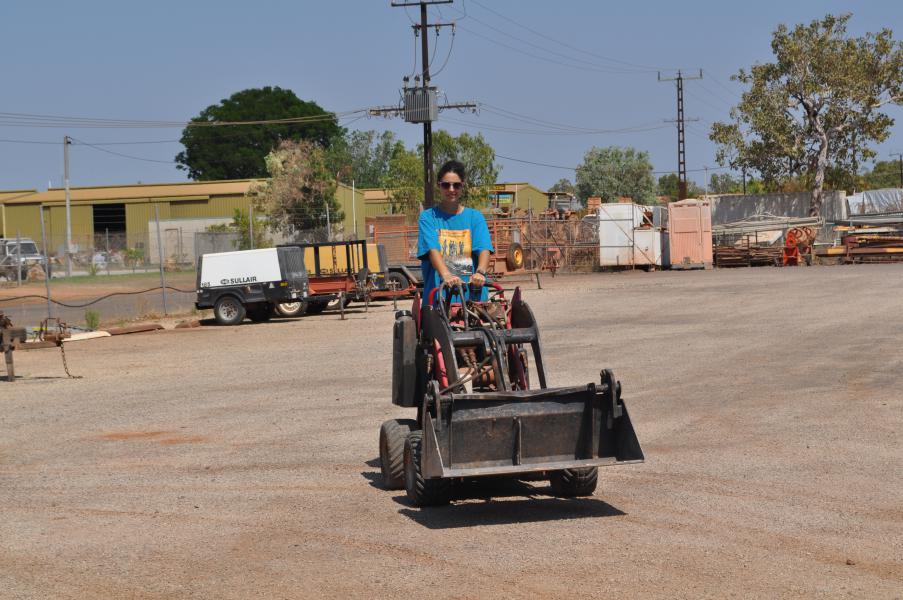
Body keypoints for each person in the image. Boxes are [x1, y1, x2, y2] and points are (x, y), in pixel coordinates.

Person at [417, 160, 494, 307]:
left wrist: (480, 272)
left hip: (472, 298)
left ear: (462, 186)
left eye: (456, 185)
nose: (451, 189)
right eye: (446, 185)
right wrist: (446, 275)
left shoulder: (475, 217)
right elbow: (433, 251)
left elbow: (484, 249)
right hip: (439, 299)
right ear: (438, 185)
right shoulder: (428, 217)